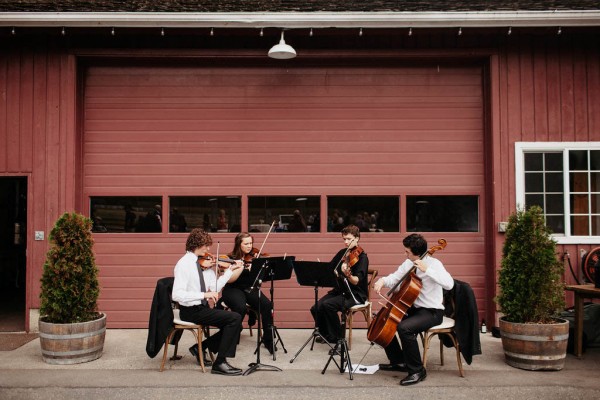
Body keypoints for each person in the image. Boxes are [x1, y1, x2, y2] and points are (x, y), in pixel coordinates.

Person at [373, 233, 454, 386]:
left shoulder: (435, 264)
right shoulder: (408, 263)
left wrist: (427, 269)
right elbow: (395, 278)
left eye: (407, 251)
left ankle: (417, 370)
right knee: (385, 320)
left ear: (416, 252)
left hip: (432, 311)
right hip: (414, 309)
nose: (405, 254)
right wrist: (382, 281)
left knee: (405, 328)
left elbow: (449, 284)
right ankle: (398, 361)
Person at [171, 228, 245, 376]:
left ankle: (202, 348)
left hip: (200, 309)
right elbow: (177, 294)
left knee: (235, 323)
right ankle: (220, 363)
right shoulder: (184, 264)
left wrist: (230, 270)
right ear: (197, 245)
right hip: (190, 311)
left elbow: (215, 288)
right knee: (234, 318)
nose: (208, 249)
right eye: (206, 245)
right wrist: (204, 294)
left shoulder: (204, 268)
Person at [310, 224, 369, 344]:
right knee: (315, 308)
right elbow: (331, 268)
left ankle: (339, 340)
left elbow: (357, 280)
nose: (346, 242)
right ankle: (327, 335)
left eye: (348, 239)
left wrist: (348, 275)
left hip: (354, 294)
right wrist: (320, 268)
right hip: (340, 291)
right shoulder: (343, 253)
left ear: (357, 238)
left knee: (328, 305)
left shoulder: (362, 257)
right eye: (344, 239)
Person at [220, 232, 276, 354]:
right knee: (240, 306)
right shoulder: (230, 258)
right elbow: (228, 279)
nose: (249, 246)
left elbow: (259, 279)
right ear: (238, 244)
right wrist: (240, 266)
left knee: (267, 305)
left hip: (249, 288)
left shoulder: (254, 258)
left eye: (251, 243)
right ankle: (232, 337)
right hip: (233, 289)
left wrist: (258, 267)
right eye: (246, 244)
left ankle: (268, 340)